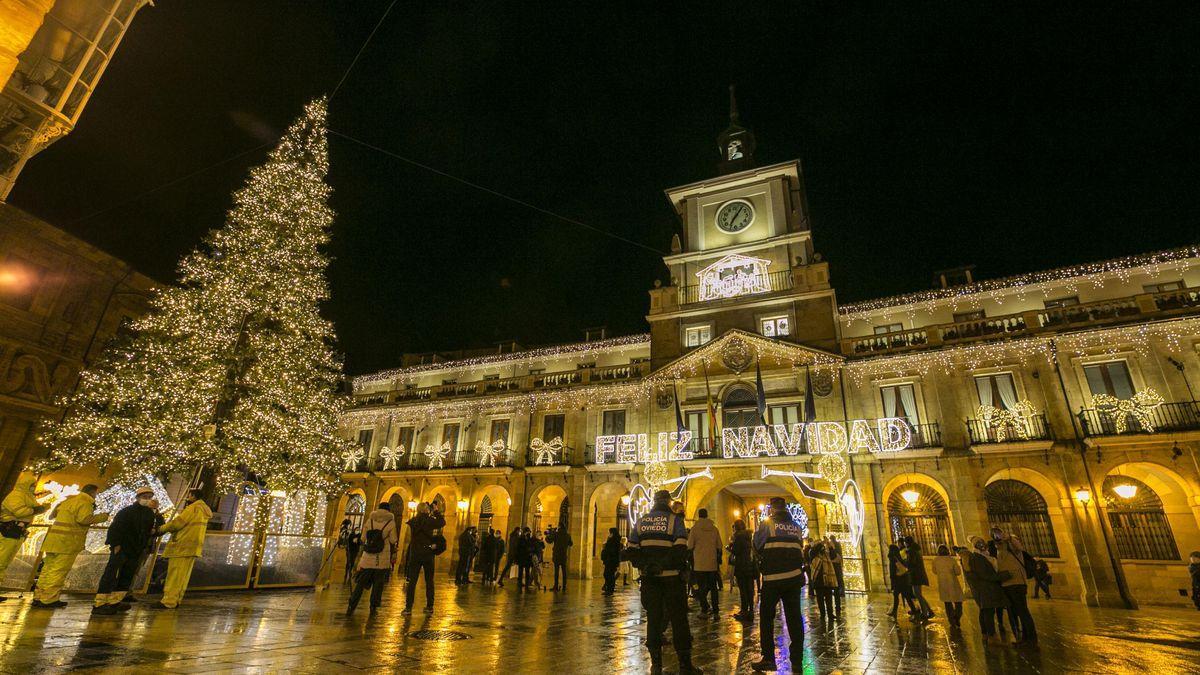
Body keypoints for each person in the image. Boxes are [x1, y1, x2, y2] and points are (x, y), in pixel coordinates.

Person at [626, 489, 700, 675]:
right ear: (668, 502)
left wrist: (647, 565)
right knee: (679, 620)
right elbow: (680, 548)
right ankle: (685, 665)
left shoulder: (641, 521)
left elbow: (632, 550)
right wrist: (663, 565)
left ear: (654, 502)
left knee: (654, 620)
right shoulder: (675, 521)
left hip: (649, 579)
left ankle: (656, 664)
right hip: (672, 579)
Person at [751, 496, 806, 673]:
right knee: (795, 619)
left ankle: (768, 658)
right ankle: (797, 660)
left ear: (772, 509)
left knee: (767, 618)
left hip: (773, 580)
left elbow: (757, 545)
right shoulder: (796, 527)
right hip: (794, 578)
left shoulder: (768, 525)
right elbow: (800, 548)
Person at [32, 484, 108, 608]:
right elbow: (83, 519)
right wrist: (102, 517)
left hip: (53, 540)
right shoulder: (85, 502)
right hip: (67, 543)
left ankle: (39, 596)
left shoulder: (69, 500)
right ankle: (49, 599)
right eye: (96, 494)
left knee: (47, 570)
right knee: (58, 571)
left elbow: (52, 515)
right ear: (93, 493)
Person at [93, 487, 158, 614]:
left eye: (149, 497)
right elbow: (116, 528)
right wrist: (115, 543)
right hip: (122, 547)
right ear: (138, 498)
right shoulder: (127, 512)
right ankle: (100, 603)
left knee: (127, 575)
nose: (147, 500)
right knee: (111, 574)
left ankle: (115, 601)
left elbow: (149, 530)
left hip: (136, 549)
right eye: (145, 497)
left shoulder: (149, 514)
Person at [147, 488, 212, 610]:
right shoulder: (203, 510)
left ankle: (168, 601)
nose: (187, 497)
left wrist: (160, 529)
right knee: (183, 577)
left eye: (189, 495)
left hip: (182, 546)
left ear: (193, 496)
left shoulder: (192, 508)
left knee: (175, 575)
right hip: (193, 547)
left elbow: (177, 523)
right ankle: (176, 600)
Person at [0, 472, 50, 597]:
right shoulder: (16, 495)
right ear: (26, 484)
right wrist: (38, 510)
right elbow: (20, 511)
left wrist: (41, 508)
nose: (34, 486)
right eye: (32, 484)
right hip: (9, 531)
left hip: (17, 533)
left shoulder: (27, 496)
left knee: (5, 562)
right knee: (1, 561)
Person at [348, 502, 397, 614]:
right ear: (388, 510)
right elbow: (393, 540)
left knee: (360, 583)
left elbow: (363, 538)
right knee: (378, 584)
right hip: (382, 557)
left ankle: (352, 604)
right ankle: (373, 607)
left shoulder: (370, 520)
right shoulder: (391, 522)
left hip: (368, 557)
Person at [402, 501, 446, 615]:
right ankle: (430, 606)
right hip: (428, 553)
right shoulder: (430, 520)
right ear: (427, 510)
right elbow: (442, 522)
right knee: (429, 581)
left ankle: (408, 608)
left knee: (412, 582)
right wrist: (436, 510)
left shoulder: (414, 521)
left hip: (415, 553)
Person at [964, 535, 1009, 644]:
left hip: (985, 589)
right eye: (979, 543)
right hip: (985, 589)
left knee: (985, 611)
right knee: (988, 612)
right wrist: (1003, 576)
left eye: (982, 542)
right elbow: (985, 574)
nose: (982, 545)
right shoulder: (977, 558)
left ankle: (985, 634)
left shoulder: (982, 556)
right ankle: (992, 636)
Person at [994, 531, 1037, 644]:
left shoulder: (1012, 547)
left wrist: (1009, 538)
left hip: (1017, 583)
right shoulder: (999, 550)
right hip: (1007, 584)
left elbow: (1018, 546)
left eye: (999, 536)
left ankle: (1031, 638)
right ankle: (1023, 637)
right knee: (1015, 612)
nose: (998, 539)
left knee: (1022, 611)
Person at [687, 508, 722, 616]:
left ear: (699, 516)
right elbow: (719, 545)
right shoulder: (714, 529)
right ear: (707, 515)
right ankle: (716, 610)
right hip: (712, 564)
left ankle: (704, 609)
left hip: (699, 564)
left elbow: (690, 545)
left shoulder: (694, 529)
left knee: (701, 588)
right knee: (713, 588)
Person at [728, 519, 756, 621]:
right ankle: (751, 610)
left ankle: (744, 611)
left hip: (741, 566)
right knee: (749, 589)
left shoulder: (739, 537)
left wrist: (730, 547)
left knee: (743, 590)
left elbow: (736, 551)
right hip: (749, 566)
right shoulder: (748, 536)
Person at [931, 544, 965, 627]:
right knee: (958, 602)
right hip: (953, 583)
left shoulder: (935, 560)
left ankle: (951, 621)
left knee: (947, 603)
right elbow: (958, 572)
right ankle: (957, 616)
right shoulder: (952, 560)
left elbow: (934, 571)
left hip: (942, 583)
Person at [903, 537, 934, 619]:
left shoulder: (912, 552)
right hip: (918, 574)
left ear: (907, 543)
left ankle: (925, 613)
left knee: (917, 594)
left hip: (915, 575)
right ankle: (929, 611)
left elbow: (910, 563)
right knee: (918, 594)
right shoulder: (915, 550)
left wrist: (903, 561)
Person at [886, 544, 919, 619]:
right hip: (903, 580)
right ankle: (913, 610)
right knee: (905, 596)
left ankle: (895, 611)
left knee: (896, 596)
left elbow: (892, 573)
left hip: (897, 581)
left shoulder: (892, 559)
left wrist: (892, 584)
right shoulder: (899, 557)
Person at [810, 542, 838, 621]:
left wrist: (831, 547)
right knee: (820, 600)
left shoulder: (826, 555)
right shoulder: (814, 556)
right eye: (821, 548)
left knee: (829, 599)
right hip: (818, 581)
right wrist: (815, 545)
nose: (823, 549)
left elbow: (834, 556)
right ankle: (822, 614)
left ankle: (830, 614)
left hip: (827, 580)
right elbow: (812, 552)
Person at [552, 522, 573, 591]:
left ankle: (556, 585)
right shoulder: (567, 535)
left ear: (559, 527)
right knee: (564, 571)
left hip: (557, 555)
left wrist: (552, 532)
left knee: (556, 572)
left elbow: (549, 540)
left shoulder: (556, 534)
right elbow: (571, 544)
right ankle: (564, 585)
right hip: (563, 555)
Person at [600, 527, 622, 595]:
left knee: (609, 574)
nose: (609, 534)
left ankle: (610, 589)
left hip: (611, 560)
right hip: (610, 560)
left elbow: (612, 550)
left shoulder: (614, 540)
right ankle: (609, 589)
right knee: (608, 574)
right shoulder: (612, 540)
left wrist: (606, 548)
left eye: (610, 533)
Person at [826, 536, 844, 616]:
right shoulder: (832, 549)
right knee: (835, 590)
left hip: (833, 572)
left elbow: (837, 558)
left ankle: (836, 607)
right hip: (835, 571)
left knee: (833, 590)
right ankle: (837, 607)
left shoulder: (833, 549)